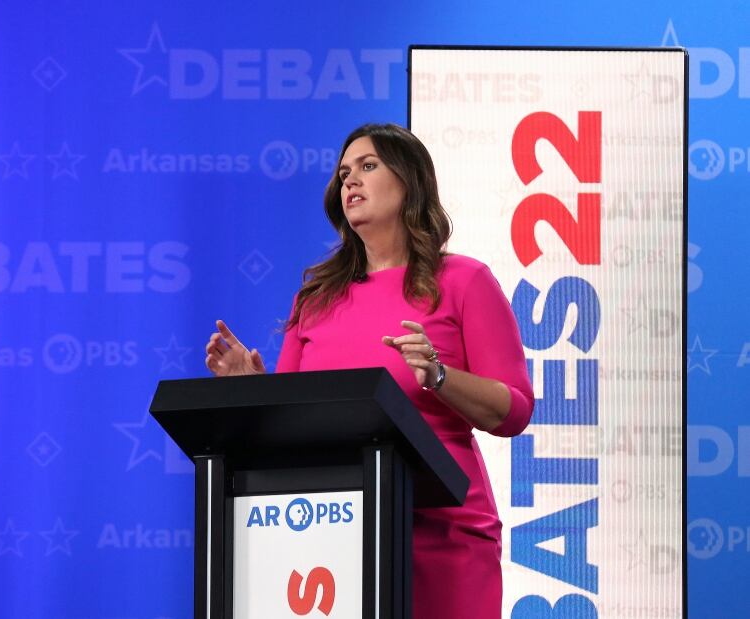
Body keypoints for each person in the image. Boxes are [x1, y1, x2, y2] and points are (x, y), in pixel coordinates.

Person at [204, 123, 533, 619]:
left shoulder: (465, 281)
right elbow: (293, 424)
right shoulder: (314, 299)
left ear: (409, 181)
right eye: (343, 173)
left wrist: (439, 376)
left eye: (368, 166)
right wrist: (249, 393)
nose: (350, 180)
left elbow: (514, 411)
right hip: (334, 536)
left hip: (443, 533)